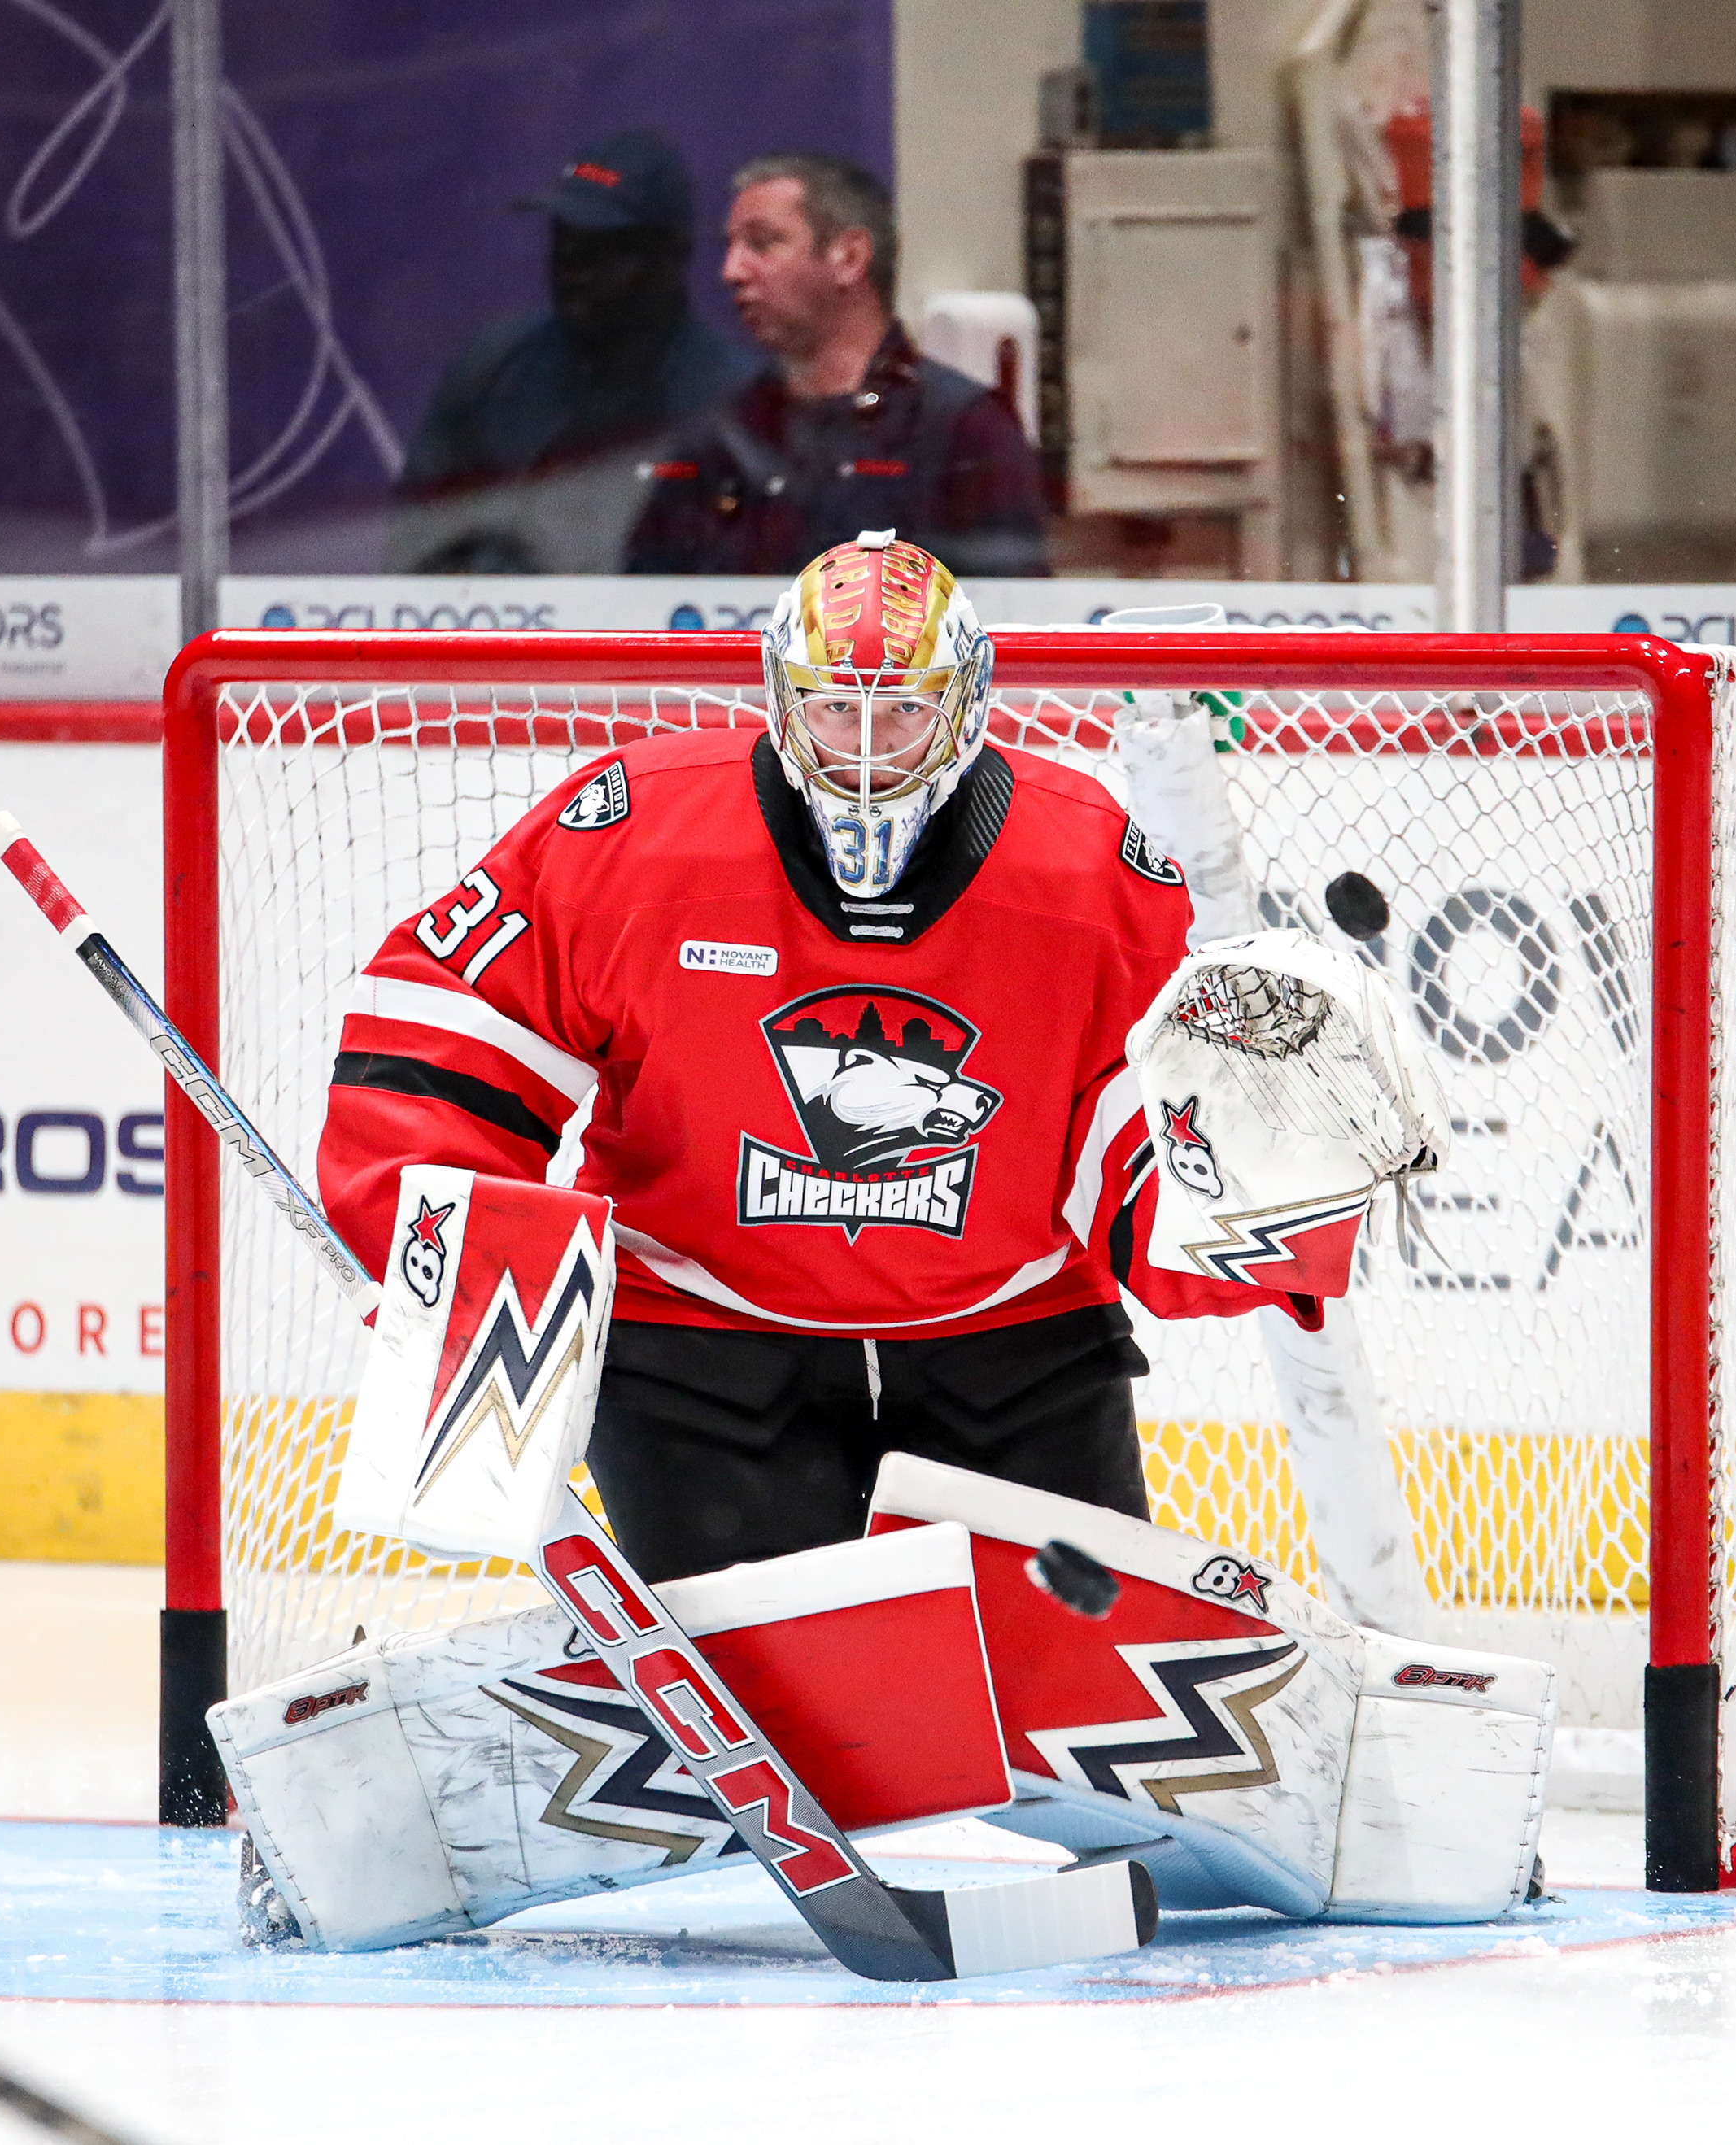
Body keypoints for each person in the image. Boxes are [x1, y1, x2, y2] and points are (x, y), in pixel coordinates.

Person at [313, 535, 1289, 1581]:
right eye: (833, 707)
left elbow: (1157, 1157)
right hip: (697, 1353)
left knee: (1066, 1676)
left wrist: (1272, 1199)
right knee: (746, 1683)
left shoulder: (1087, 866)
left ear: (966, 705)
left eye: (903, 709)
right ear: (782, 698)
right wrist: (447, 1258)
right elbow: (448, 1024)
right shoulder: (636, 835)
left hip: (1015, 1349)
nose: (866, 745)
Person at [622, 154, 1049, 579]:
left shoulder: (962, 431)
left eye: (762, 244)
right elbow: (646, 601)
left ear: (849, 258)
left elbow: (1007, 610)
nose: (731, 271)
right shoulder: (727, 433)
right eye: (730, 247)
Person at [386, 129, 756, 574]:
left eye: (603, 253)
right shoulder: (492, 373)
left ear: (671, 257)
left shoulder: (738, 404)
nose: (574, 272)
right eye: (565, 245)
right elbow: (414, 551)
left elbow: (755, 580)